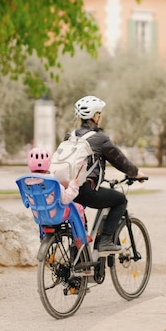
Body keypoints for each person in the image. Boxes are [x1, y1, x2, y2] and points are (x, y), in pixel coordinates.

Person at [69, 95, 147, 255]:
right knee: (120, 200)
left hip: (68, 190)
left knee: (80, 224)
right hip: (86, 191)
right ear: (95, 116)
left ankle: (79, 259)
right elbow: (120, 161)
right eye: (100, 114)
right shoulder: (100, 138)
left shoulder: (70, 136)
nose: (101, 117)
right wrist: (136, 173)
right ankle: (105, 240)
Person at [26, 147, 85, 223]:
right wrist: (73, 185)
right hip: (56, 214)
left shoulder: (26, 181)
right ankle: (80, 234)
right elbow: (65, 199)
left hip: (38, 215)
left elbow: (27, 201)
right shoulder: (52, 182)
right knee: (78, 207)